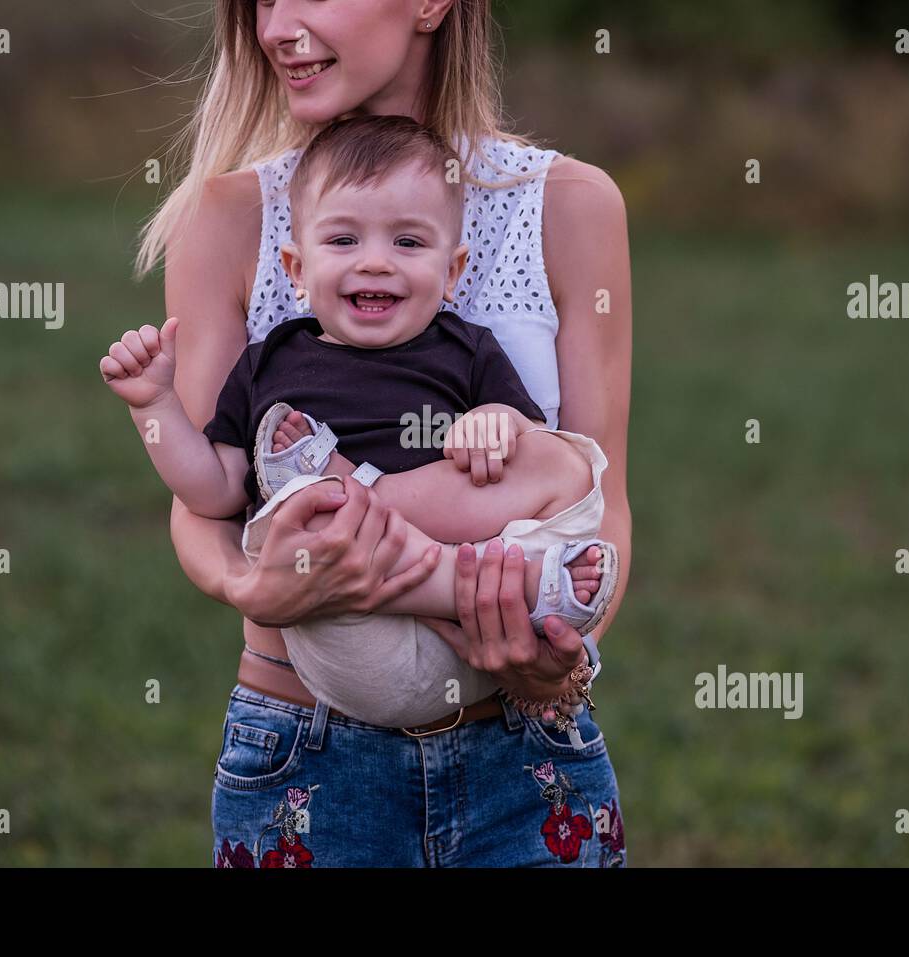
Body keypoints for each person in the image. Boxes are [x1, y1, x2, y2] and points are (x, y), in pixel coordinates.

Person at [133, 0, 632, 867]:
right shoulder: (225, 216)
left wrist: (563, 663)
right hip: (308, 751)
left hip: (523, 752)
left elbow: (601, 497)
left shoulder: (571, 205)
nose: (277, 26)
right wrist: (256, 589)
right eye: (261, 2)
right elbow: (205, 502)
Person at [103, 115, 620, 730]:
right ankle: (396, 530)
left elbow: (526, 446)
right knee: (298, 518)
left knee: (563, 459)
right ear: (296, 268)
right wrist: (153, 407)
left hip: (475, 639)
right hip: (354, 641)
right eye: (344, 241)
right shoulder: (270, 363)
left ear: (452, 272)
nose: (375, 263)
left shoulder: (467, 349)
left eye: (407, 243)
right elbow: (213, 492)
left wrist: (493, 421)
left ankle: (360, 491)